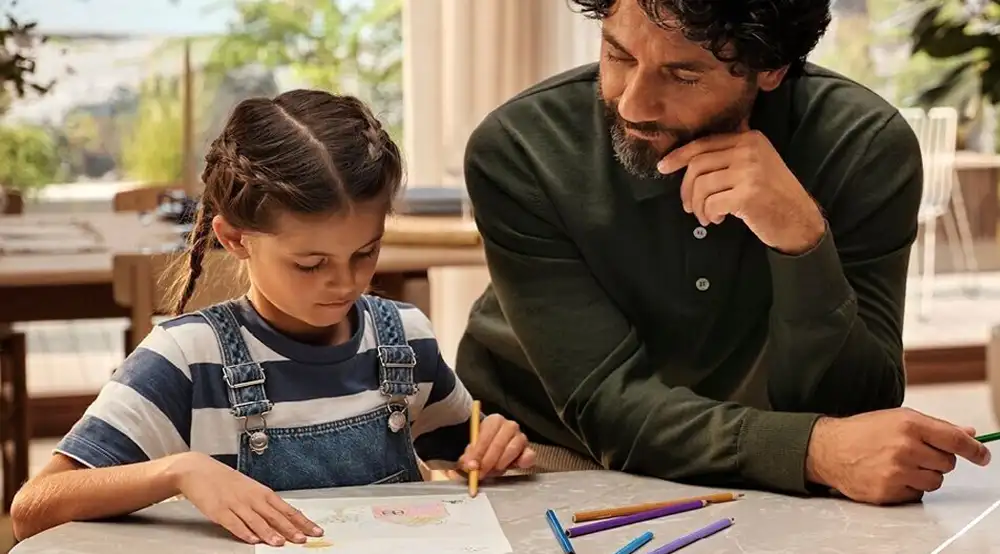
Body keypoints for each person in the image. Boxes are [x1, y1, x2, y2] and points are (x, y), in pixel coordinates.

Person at [455, 0, 991, 506]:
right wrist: (811, 450)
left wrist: (802, 239)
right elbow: (606, 406)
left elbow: (858, 414)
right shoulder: (522, 149)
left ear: (772, 68)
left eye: (683, 75)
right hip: (537, 452)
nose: (632, 103)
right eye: (619, 55)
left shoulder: (864, 146)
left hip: (767, 476)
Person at [11, 90, 535, 544]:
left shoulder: (405, 340)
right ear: (235, 239)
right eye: (311, 264)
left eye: (365, 253)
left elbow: (466, 453)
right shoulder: (187, 361)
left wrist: (495, 447)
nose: (345, 283)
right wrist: (177, 471)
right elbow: (34, 506)